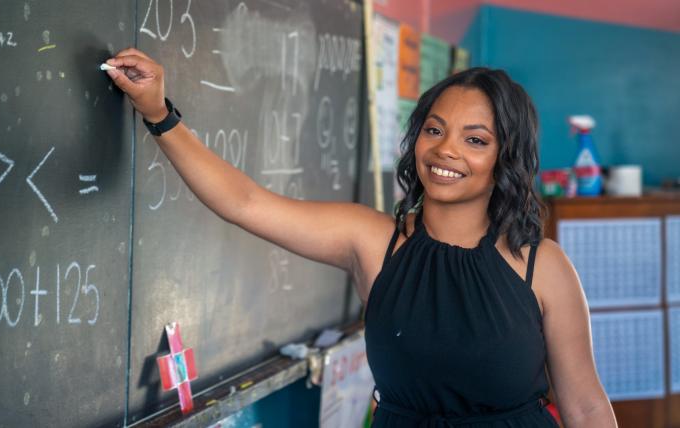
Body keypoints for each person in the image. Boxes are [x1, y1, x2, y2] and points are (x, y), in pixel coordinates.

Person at [104, 48, 617, 427]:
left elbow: (587, 407)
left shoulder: (541, 265)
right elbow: (245, 204)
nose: (445, 151)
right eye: (434, 130)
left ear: (505, 158)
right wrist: (158, 114)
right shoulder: (372, 241)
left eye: (475, 140)